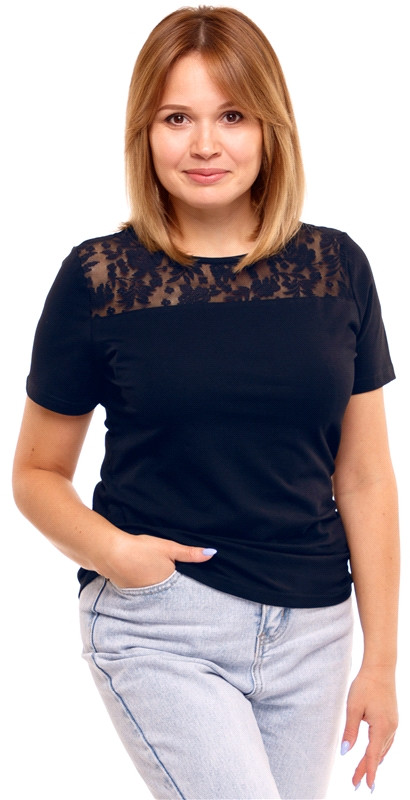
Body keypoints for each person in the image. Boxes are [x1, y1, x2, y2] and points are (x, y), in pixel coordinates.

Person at [12, 6, 399, 799]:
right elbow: (36, 474)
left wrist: (384, 662)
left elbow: (364, 476)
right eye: (176, 118)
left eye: (232, 116)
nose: (204, 145)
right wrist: (117, 556)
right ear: (145, 133)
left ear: (270, 128)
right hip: (164, 623)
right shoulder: (99, 279)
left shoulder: (337, 268)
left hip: (315, 630)